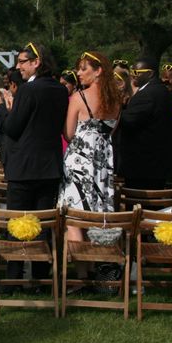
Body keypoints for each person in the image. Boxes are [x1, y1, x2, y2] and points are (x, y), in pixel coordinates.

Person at [0, 41, 68, 288]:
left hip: (24, 167)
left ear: (37, 62)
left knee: (18, 222)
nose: (17, 66)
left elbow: (12, 128)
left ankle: (13, 277)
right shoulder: (60, 89)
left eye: (22, 61)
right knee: (42, 223)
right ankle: (42, 278)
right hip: (50, 165)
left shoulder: (28, 90)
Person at [57, 52, 120, 283]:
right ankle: (95, 271)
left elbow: (69, 132)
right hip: (102, 165)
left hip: (78, 163)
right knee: (95, 217)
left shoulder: (79, 97)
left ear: (98, 70)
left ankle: (84, 276)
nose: (79, 73)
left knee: (73, 219)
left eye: (84, 69)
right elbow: (111, 131)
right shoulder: (115, 99)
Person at [116, 58, 172, 189]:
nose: (132, 75)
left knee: (139, 205)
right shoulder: (161, 90)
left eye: (137, 72)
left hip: (143, 165)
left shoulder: (147, 94)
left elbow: (127, 121)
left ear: (150, 74)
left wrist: (115, 110)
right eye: (132, 72)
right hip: (154, 164)